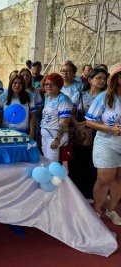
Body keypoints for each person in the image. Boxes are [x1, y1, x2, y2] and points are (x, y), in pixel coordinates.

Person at [85, 62, 121, 224]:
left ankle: (112, 210)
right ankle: (96, 210)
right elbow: (89, 122)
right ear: (114, 77)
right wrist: (110, 129)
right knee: (104, 180)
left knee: (119, 179)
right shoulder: (104, 97)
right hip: (106, 143)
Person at [68, 68, 107, 200]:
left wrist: (85, 124)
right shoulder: (79, 95)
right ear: (90, 80)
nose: (102, 81)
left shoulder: (106, 97)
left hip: (97, 133)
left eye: (104, 78)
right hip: (79, 133)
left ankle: (89, 193)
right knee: (77, 161)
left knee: (92, 163)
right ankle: (76, 191)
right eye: (98, 78)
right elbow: (69, 112)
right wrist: (77, 124)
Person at [40, 73, 73, 162]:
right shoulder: (48, 98)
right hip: (46, 136)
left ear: (59, 85)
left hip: (55, 137)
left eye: (52, 84)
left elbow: (65, 121)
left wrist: (57, 139)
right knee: (47, 164)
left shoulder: (64, 100)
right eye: (46, 84)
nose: (49, 86)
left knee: (53, 166)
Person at [20, 68, 43, 140]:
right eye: (23, 75)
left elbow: (39, 107)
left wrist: (32, 116)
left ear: (30, 77)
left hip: (32, 119)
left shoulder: (34, 91)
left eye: (27, 75)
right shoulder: (16, 89)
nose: (25, 77)